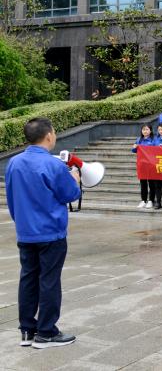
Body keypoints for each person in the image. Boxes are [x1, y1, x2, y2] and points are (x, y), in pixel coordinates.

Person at [5, 117, 81, 349]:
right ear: (48, 136)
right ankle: (46, 333)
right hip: (50, 233)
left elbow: (11, 198)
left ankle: (27, 331)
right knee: (49, 280)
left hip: (26, 232)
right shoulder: (53, 165)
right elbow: (70, 194)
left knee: (28, 279)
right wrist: (75, 179)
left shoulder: (14, 163)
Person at [132, 124, 155, 209]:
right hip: (142, 165)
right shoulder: (139, 139)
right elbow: (134, 150)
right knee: (143, 183)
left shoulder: (153, 139)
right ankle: (143, 200)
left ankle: (151, 200)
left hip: (151, 164)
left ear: (150, 131)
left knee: (151, 183)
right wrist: (135, 147)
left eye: (147, 129)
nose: (145, 131)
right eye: (143, 129)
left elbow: (156, 150)